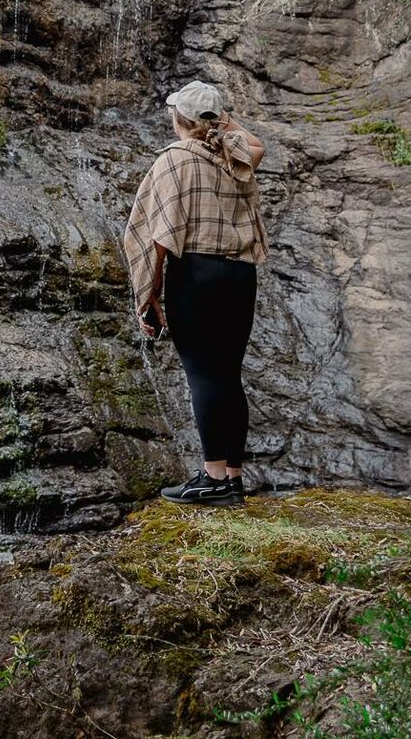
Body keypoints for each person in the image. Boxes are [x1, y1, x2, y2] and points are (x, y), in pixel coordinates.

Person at [123, 80, 268, 507]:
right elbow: (255, 143)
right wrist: (220, 119)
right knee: (229, 374)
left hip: (197, 275)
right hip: (240, 276)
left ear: (178, 119)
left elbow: (158, 237)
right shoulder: (236, 155)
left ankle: (211, 479)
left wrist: (147, 294)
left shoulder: (174, 160)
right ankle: (233, 479)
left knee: (202, 374)